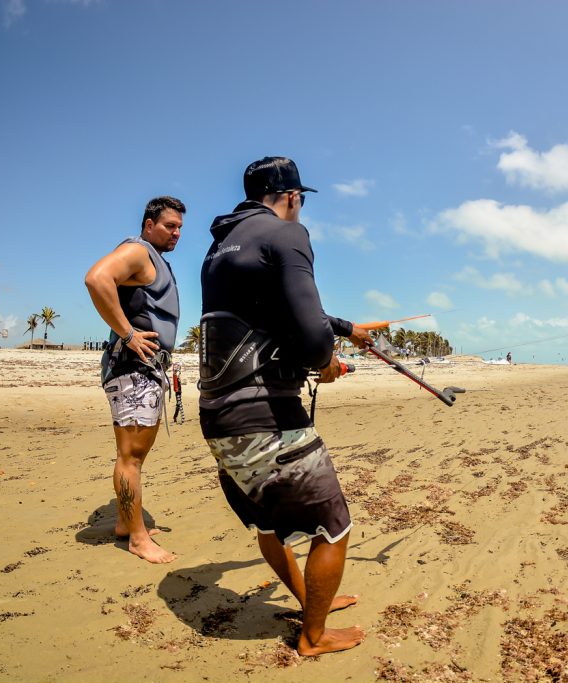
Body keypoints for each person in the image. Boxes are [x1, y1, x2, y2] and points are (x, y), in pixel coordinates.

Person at [199, 157, 371, 656]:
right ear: (292, 196)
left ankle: (310, 599)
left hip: (219, 416)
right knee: (334, 527)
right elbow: (312, 337)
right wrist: (326, 362)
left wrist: (345, 328)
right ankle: (313, 636)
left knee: (270, 523)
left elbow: (265, 309)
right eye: (301, 199)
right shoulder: (288, 234)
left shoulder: (220, 247)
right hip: (266, 417)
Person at [84, 196, 186, 564]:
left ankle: (129, 524)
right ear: (148, 224)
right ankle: (138, 539)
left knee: (135, 455)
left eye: (179, 228)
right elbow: (97, 279)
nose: (176, 233)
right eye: (169, 226)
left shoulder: (151, 258)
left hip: (143, 370)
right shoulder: (139, 251)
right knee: (131, 457)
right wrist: (128, 334)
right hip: (133, 368)